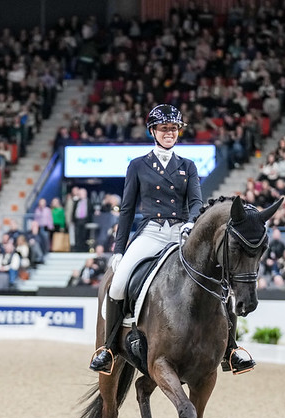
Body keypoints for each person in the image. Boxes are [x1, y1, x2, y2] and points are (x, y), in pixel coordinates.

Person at [89, 104, 255, 375]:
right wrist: (119, 249)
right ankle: (108, 349)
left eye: (174, 129)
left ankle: (232, 349)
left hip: (181, 232)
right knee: (117, 284)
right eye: (164, 128)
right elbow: (127, 209)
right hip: (151, 233)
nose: (170, 133)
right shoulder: (138, 165)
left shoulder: (187, 166)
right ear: (153, 131)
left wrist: (190, 222)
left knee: (220, 282)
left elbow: (196, 201)